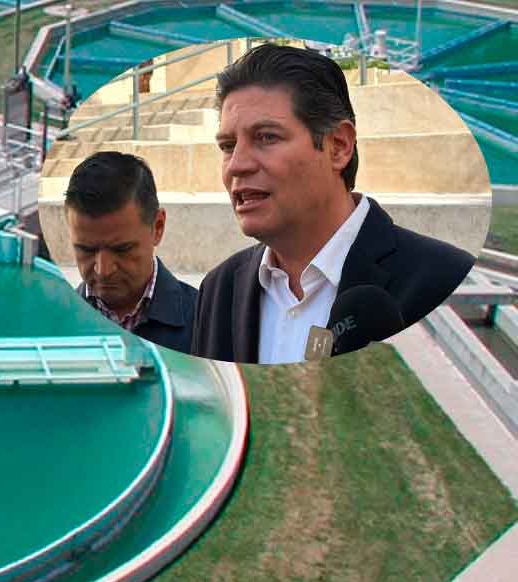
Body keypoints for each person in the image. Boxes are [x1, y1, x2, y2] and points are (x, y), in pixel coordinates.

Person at [192, 43, 474, 363]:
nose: (237, 165)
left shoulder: (443, 279)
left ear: (338, 147)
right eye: (228, 146)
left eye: (267, 137)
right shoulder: (218, 290)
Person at [65, 151, 197, 354]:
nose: (103, 270)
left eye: (122, 249)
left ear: (158, 227)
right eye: (86, 250)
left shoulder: (210, 325)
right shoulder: (55, 324)